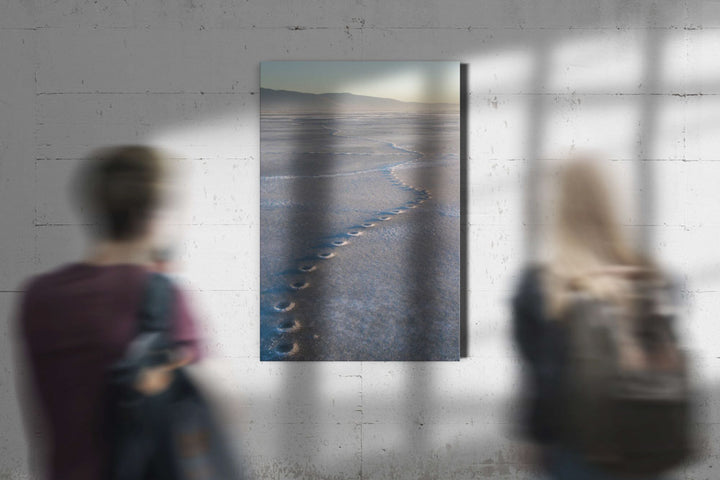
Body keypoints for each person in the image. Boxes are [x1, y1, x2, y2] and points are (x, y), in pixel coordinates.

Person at [15, 146, 202, 480]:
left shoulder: (38, 296)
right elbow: (214, 410)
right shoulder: (162, 296)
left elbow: (43, 422)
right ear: (152, 216)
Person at [512, 158, 682, 480]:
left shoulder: (541, 285)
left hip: (578, 449)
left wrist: (536, 439)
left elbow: (543, 382)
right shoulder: (654, 278)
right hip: (647, 441)